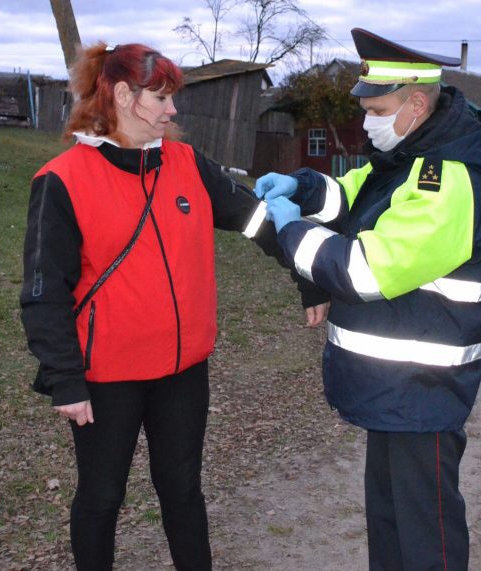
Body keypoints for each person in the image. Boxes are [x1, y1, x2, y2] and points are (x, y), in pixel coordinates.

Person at [18, 42, 319, 570]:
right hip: (106, 376)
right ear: (121, 95)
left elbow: (256, 219)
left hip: (182, 370)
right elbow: (45, 289)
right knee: (101, 498)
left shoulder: (186, 164)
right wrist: (64, 377)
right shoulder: (62, 180)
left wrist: (308, 276)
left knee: (183, 491)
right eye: (160, 98)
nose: (172, 110)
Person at [256, 28, 481, 571]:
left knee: (425, 539)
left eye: (378, 109)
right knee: (390, 529)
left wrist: (291, 231)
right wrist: (300, 186)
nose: (368, 121)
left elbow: (364, 270)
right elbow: (349, 195)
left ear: (417, 104)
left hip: (424, 392)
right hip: (397, 391)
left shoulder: (445, 181)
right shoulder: (405, 160)